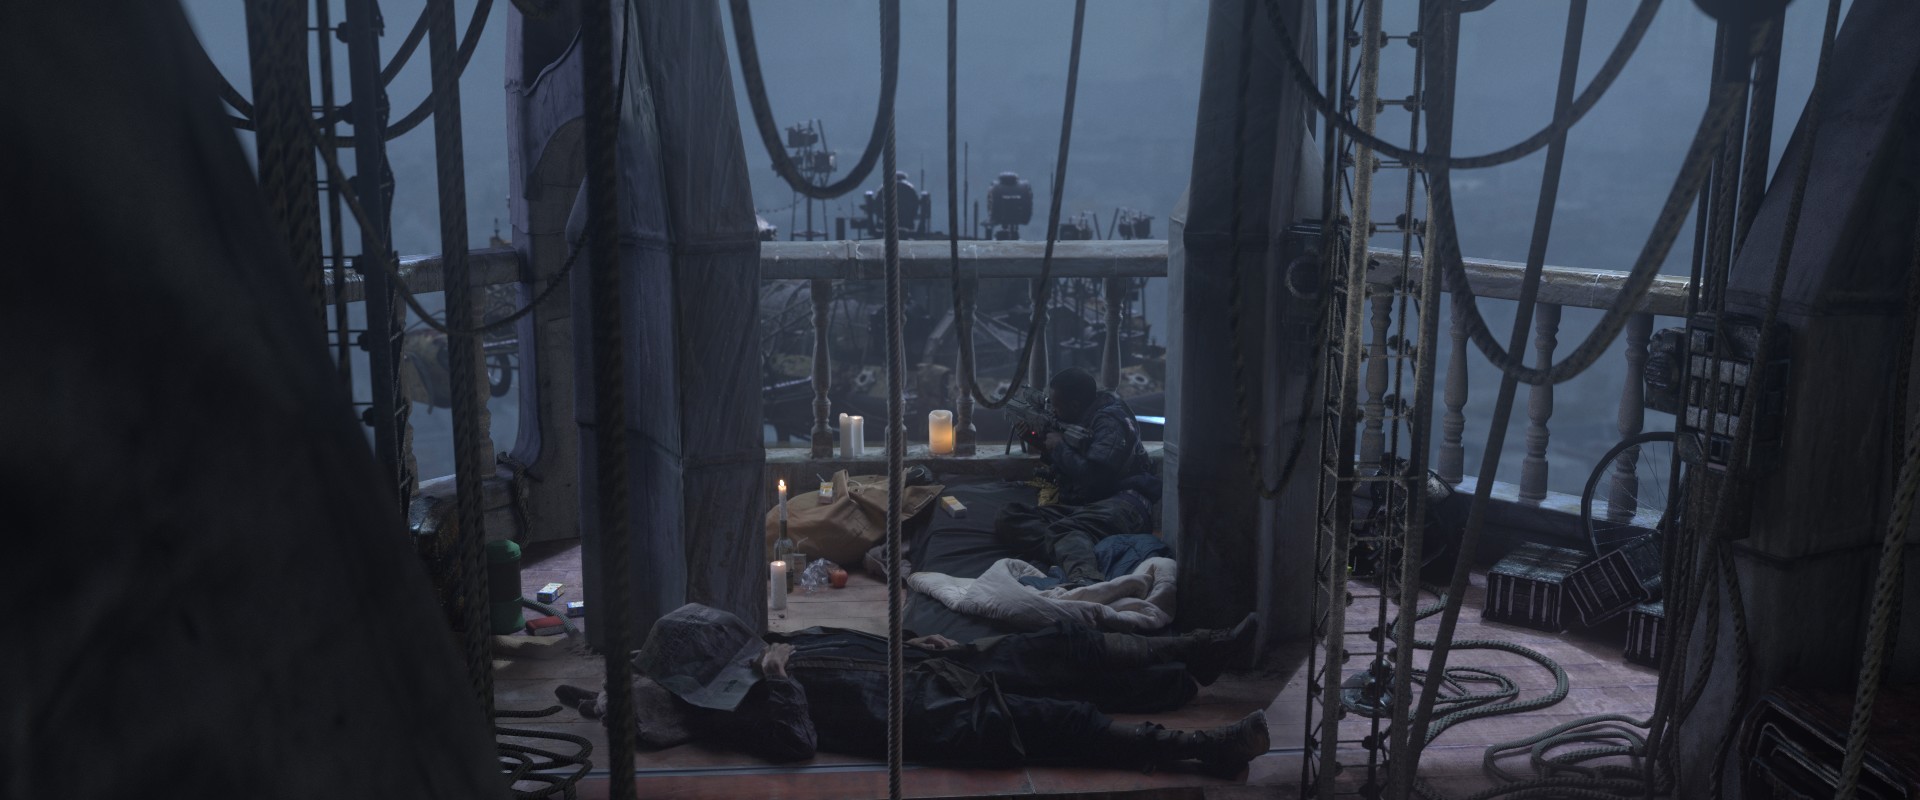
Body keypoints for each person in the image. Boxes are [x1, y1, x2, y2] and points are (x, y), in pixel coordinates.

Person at [556, 604, 1266, 769]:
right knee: (1062, 719)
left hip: (938, 667)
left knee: (1060, 643)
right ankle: (1206, 750)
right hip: (934, 711)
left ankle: (1200, 656)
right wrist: (779, 685)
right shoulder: (736, 708)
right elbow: (797, 746)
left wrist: (911, 643)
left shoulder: (769, 648)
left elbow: (848, 645)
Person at [997, 367, 1162, 587]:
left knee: (1064, 529)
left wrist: (1058, 448)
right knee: (1010, 516)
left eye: (1057, 407)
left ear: (1074, 405)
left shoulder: (1110, 422)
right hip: (1088, 506)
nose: (1053, 412)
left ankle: (1085, 579)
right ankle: (1072, 548)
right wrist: (1041, 444)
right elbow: (1075, 468)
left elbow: (1096, 478)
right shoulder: (1081, 417)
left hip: (1125, 504)